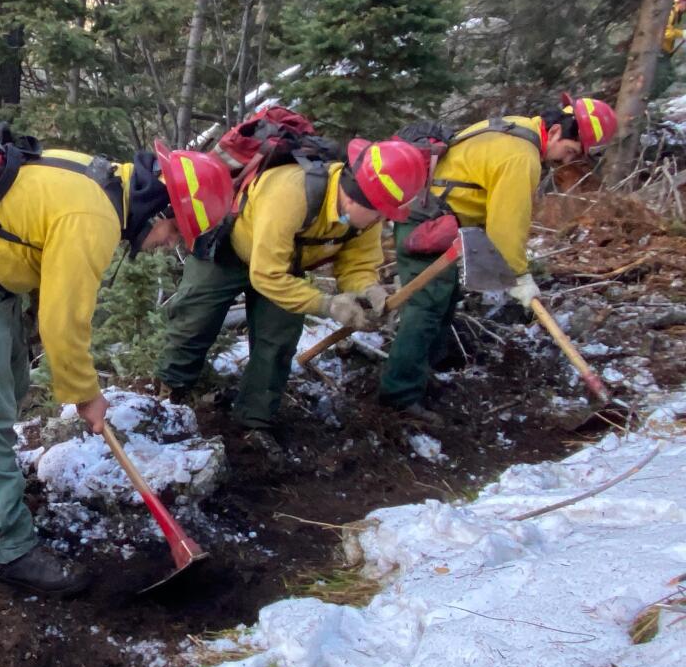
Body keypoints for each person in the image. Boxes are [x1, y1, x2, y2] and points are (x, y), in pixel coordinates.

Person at [0, 141, 232, 598]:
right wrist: (86, 394)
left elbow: (48, 260)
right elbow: (65, 322)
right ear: (159, 209)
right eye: (174, 233)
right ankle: (12, 552)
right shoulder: (95, 217)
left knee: (8, 387)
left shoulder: (105, 180)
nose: (170, 246)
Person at [155, 139, 428, 455]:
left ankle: (252, 426)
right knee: (193, 320)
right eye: (380, 213)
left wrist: (367, 290)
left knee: (278, 342)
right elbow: (266, 275)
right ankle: (168, 399)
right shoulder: (291, 192)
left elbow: (357, 264)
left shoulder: (365, 216)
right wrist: (328, 305)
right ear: (355, 199)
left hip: (285, 266)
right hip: (229, 249)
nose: (384, 220)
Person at [378, 96, 618, 423]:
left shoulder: (518, 127)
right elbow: (506, 228)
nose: (566, 161)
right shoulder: (522, 156)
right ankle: (399, 398)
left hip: (436, 216)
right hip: (424, 221)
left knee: (444, 299)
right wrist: (520, 277)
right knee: (427, 304)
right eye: (571, 151)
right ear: (558, 131)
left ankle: (422, 377)